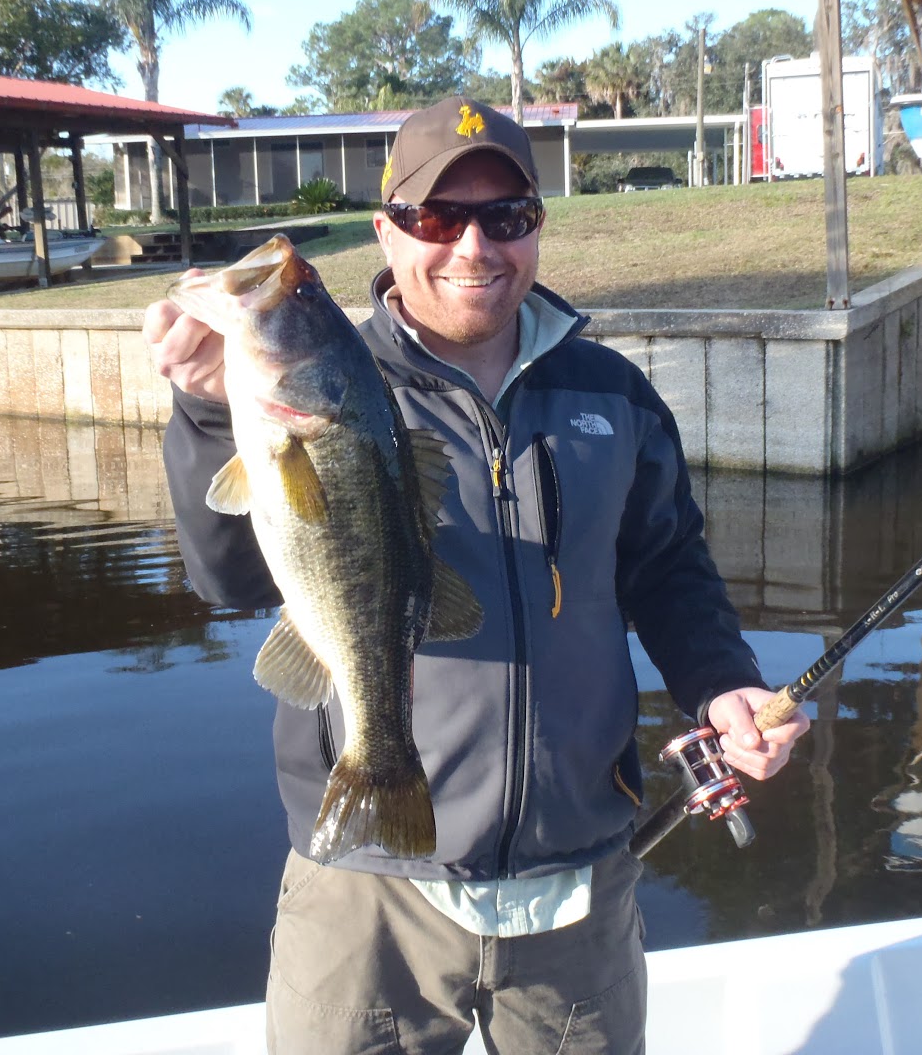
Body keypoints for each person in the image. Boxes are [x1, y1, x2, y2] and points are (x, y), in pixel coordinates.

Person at [142, 96, 810, 1054]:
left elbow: (668, 568)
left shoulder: (610, 392)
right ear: (387, 232)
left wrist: (721, 684)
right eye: (435, 218)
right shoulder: (332, 380)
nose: (473, 247)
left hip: (580, 876)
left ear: (537, 228)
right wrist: (208, 413)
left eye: (507, 218)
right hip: (364, 887)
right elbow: (230, 584)